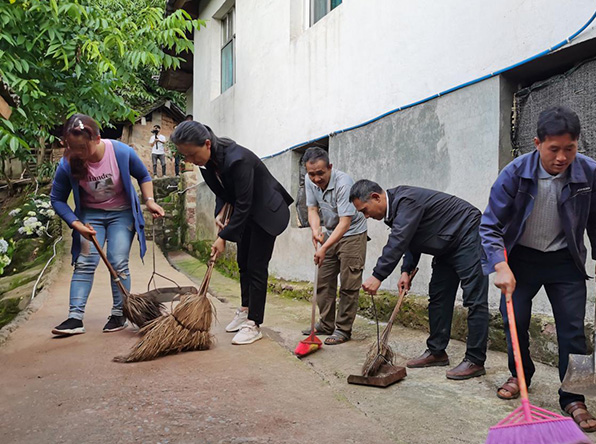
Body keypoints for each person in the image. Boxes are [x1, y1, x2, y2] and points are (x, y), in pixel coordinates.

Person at [480, 106, 596, 433]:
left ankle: (573, 397)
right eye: (554, 149)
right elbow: (490, 225)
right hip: (520, 259)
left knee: (572, 329)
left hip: (564, 259)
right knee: (515, 320)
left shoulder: (590, 173)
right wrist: (500, 265)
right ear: (537, 142)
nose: (562, 157)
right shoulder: (514, 173)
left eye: (570, 148)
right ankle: (519, 374)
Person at [350, 180, 489, 379]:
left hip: (468, 233)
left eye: (365, 210)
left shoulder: (406, 201)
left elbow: (398, 239)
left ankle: (475, 360)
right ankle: (437, 352)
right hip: (446, 244)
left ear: (375, 197)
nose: (366, 216)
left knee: (474, 298)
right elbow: (410, 238)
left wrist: (378, 275)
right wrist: (406, 270)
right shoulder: (396, 209)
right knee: (438, 298)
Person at [170, 121, 294, 345]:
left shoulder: (238, 159)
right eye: (184, 155)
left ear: (207, 144)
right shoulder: (208, 162)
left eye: (191, 154)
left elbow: (244, 203)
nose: (189, 160)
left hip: (266, 213)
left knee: (256, 266)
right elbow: (223, 192)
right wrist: (220, 214)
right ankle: (246, 309)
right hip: (247, 214)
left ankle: (254, 323)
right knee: (243, 263)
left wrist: (223, 237)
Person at [50, 114, 165, 335]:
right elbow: (57, 199)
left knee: (118, 261)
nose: (79, 154)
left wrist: (149, 201)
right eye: (74, 148)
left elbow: (143, 176)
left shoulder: (120, 152)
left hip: (121, 214)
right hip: (89, 216)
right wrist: (75, 223)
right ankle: (75, 318)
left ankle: (119, 313)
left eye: (83, 148)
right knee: (85, 261)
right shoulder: (67, 163)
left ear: (97, 138)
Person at [301, 147, 367, 344]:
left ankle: (343, 329)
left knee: (349, 284)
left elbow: (345, 223)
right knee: (323, 280)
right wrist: (315, 230)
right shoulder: (309, 180)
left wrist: (323, 248)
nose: (316, 178)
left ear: (330, 167)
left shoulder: (343, 183)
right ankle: (326, 323)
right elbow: (312, 209)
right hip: (330, 232)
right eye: (312, 174)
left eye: (320, 173)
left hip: (352, 234)